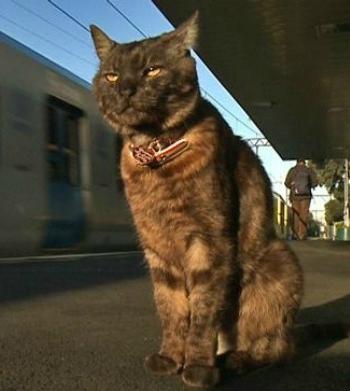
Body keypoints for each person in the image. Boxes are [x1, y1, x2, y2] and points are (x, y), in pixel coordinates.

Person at [284, 159, 318, 240]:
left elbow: (286, 183)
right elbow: (315, 183)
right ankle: (302, 234)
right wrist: (308, 186)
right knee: (304, 214)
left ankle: (295, 234)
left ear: (297, 162)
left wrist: (292, 187)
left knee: (296, 214)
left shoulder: (292, 170)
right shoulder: (309, 170)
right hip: (306, 197)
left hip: (294, 196)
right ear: (304, 162)